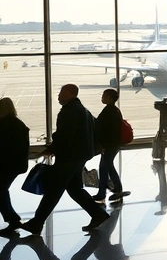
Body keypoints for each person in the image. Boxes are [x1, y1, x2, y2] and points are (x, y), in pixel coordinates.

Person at [20, 84, 109, 236]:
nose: (58, 96)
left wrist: (51, 149)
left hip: (69, 157)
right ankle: (98, 214)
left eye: (61, 93)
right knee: (74, 189)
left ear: (69, 94)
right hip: (80, 156)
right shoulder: (83, 110)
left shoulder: (69, 112)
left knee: (53, 191)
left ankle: (36, 223)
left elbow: (64, 136)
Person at [93, 88, 130, 204]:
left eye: (104, 95)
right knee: (107, 166)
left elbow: (106, 129)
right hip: (114, 144)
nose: (102, 97)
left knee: (104, 167)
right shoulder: (113, 110)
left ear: (109, 98)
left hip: (110, 144)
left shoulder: (109, 111)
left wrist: (102, 144)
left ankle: (102, 192)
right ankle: (115, 188)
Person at [0, 98, 29, 236]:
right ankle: (13, 218)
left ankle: (13, 220)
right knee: (2, 190)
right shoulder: (18, 124)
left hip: (6, 165)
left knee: (1, 190)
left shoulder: (4, 125)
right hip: (15, 164)